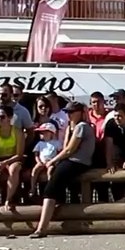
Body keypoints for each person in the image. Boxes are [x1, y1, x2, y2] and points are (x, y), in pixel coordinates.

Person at [30, 102, 96, 238]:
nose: (69, 115)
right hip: (69, 161)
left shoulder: (82, 126)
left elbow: (70, 149)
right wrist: (68, 130)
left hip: (78, 162)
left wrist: (53, 161)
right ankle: (47, 219)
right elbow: (65, 146)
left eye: (72, 112)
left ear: (80, 112)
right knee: (54, 182)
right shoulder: (72, 128)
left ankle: (42, 228)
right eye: (67, 112)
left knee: (50, 190)